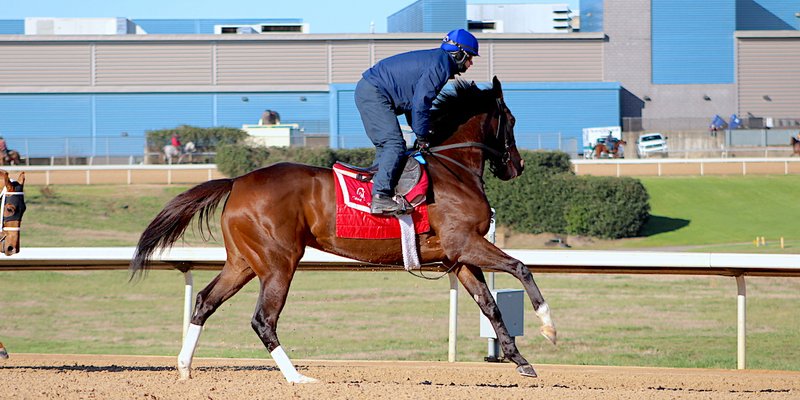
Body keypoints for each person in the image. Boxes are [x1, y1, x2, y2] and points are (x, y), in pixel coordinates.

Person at [356, 28, 479, 215]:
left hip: (371, 90)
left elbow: (413, 105)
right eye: (469, 57)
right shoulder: (441, 66)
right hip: (374, 92)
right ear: (459, 53)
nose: (470, 64)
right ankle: (380, 197)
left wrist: (423, 133)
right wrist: (422, 135)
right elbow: (421, 104)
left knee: (387, 147)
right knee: (394, 144)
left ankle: (376, 191)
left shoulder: (438, 61)